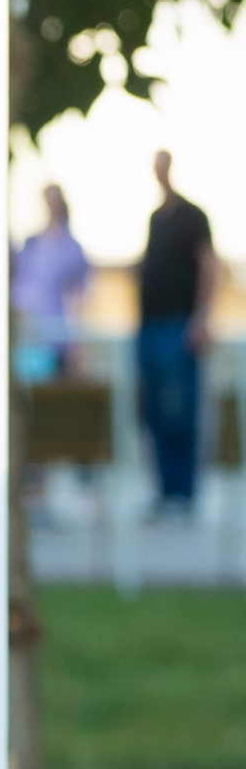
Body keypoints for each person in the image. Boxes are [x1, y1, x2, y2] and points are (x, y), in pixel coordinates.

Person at [136, 147, 220, 515]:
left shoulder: (193, 216)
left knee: (180, 410)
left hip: (179, 328)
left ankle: (184, 496)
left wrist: (201, 319)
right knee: (153, 411)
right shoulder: (156, 218)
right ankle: (165, 493)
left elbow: (210, 267)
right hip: (149, 327)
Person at [10, 179, 90, 379]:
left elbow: (76, 297)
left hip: (54, 338)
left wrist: (75, 342)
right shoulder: (31, 245)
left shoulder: (71, 249)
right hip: (26, 335)